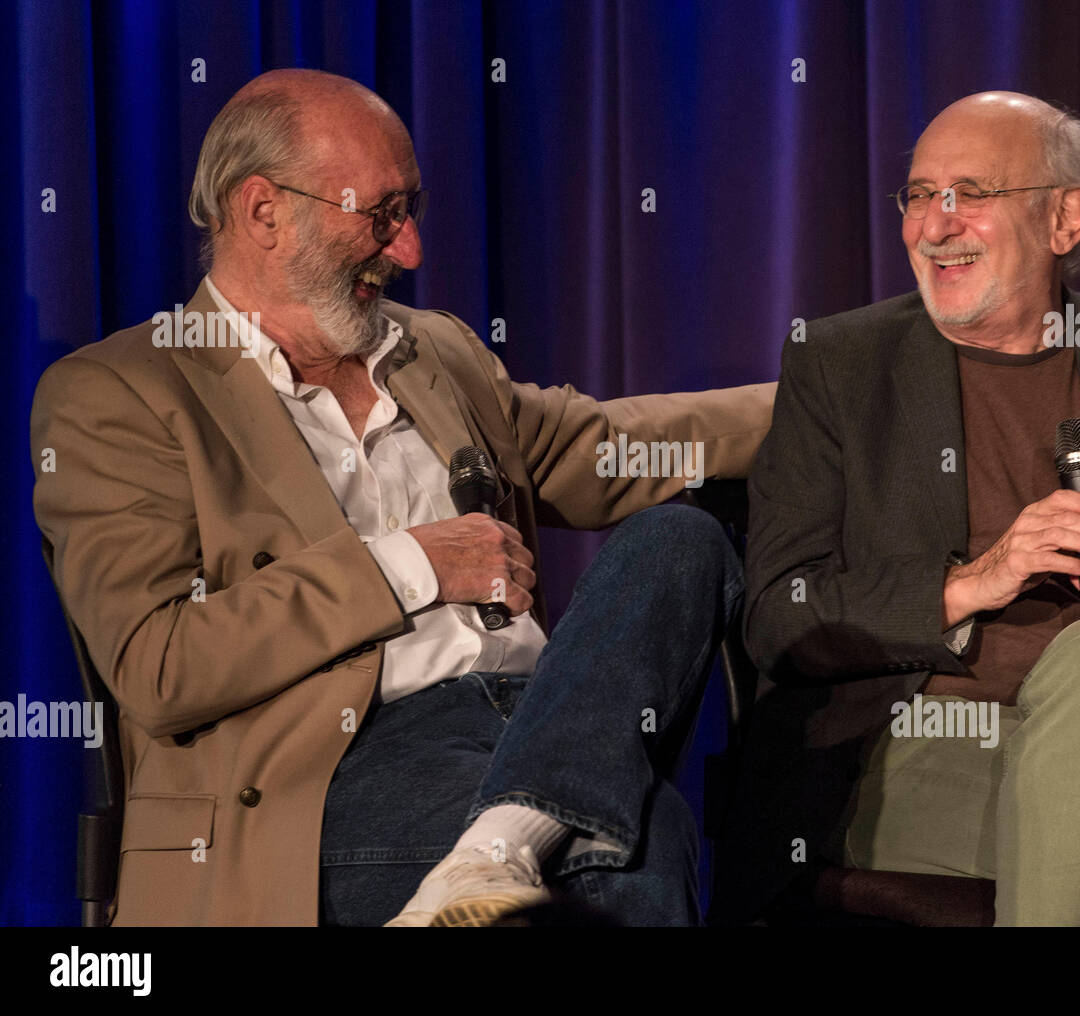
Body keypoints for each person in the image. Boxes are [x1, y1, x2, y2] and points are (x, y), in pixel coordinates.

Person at [31, 69, 774, 927]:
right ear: (263, 211)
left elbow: (606, 448)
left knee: (680, 542)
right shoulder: (119, 392)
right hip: (322, 782)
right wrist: (410, 565)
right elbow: (160, 666)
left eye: (411, 209)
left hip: (543, 726)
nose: (411, 248)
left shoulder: (436, 351)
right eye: (380, 214)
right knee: (635, 846)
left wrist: (838, 390)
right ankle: (515, 839)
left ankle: (499, 845)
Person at [710, 91, 1080, 927]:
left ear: (1066, 219)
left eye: (970, 193)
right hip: (920, 744)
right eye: (920, 195)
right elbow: (779, 616)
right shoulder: (840, 364)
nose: (935, 224)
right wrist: (972, 582)